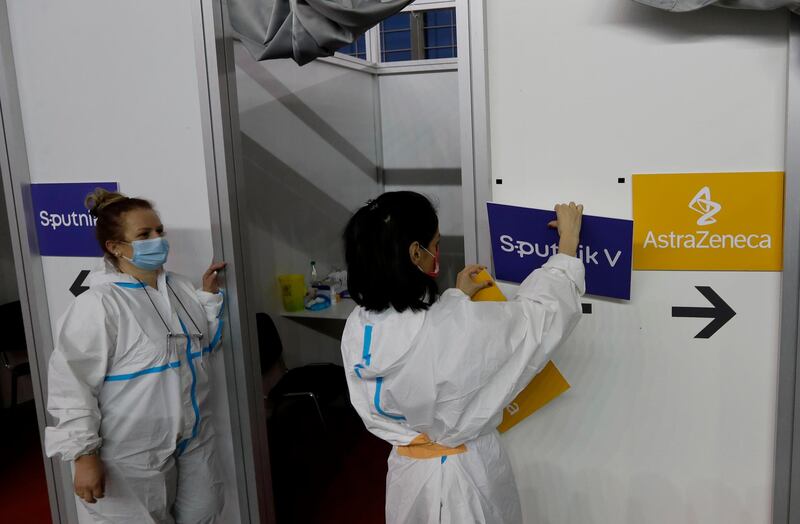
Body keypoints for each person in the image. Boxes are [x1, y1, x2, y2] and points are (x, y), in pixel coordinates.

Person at [341, 191, 585, 523]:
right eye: (435, 246)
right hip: (466, 483)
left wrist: (455, 297)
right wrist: (567, 249)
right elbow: (538, 320)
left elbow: (424, 342)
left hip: (408, 477)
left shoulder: (359, 326)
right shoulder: (458, 330)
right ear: (415, 252)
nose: (436, 256)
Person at [44, 188, 227, 524]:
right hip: (131, 452)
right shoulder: (98, 304)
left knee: (205, 512)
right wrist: (83, 454)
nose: (157, 239)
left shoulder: (180, 288)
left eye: (159, 231)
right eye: (144, 234)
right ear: (115, 247)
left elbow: (203, 346)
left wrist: (207, 299)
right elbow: (71, 383)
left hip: (193, 438)